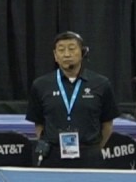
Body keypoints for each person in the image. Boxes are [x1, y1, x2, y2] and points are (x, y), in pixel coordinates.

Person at [26, 32, 119, 169]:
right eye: (61, 49)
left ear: (82, 52)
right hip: (52, 156)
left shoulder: (101, 84)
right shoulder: (41, 85)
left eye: (72, 48)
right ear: (55, 55)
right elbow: (39, 123)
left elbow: (107, 124)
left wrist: (92, 149)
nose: (67, 54)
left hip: (89, 156)